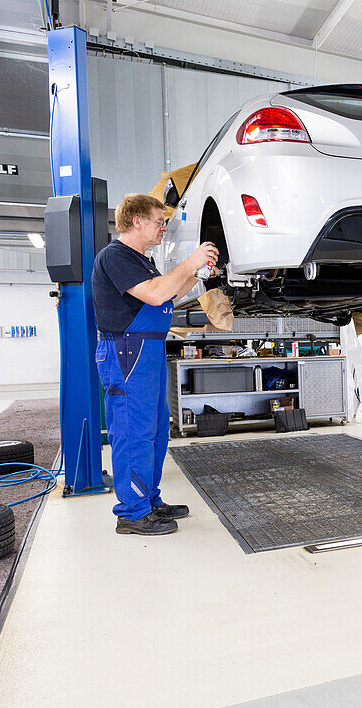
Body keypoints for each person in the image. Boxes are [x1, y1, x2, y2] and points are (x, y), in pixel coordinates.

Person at [92, 193, 219, 535]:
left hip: (147, 352)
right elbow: (155, 294)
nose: (163, 227)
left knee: (155, 431)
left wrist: (201, 274)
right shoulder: (116, 256)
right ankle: (132, 514)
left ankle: (148, 499)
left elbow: (171, 292)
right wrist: (191, 261)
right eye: (158, 221)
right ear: (136, 221)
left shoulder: (142, 260)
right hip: (127, 353)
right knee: (133, 432)